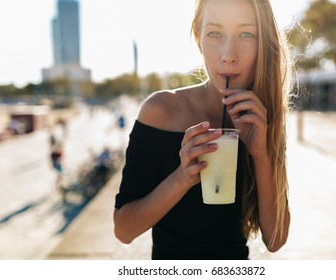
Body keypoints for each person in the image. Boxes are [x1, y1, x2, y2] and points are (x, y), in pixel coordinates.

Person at [114, 0, 292, 260]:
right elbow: (124, 230)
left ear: (263, 42)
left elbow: (275, 240)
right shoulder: (160, 110)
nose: (228, 54)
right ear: (198, 38)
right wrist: (181, 178)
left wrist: (261, 155)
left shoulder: (263, 119)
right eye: (215, 34)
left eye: (246, 34)